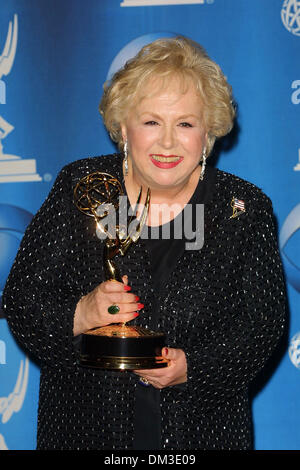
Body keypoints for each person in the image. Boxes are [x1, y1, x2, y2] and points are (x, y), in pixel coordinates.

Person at [2, 36, 286, 450]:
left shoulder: (241, 209)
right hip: (87, 431)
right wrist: (80, 314)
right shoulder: (81, 188)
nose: (168, 142)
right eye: (151, 121)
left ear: (208, 133)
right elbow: (21, 299)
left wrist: (195, 369)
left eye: (185, 123)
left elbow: (262, 326)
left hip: (202, 434)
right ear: (122, 126)